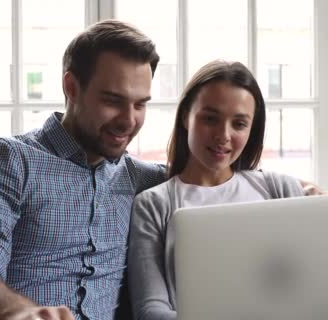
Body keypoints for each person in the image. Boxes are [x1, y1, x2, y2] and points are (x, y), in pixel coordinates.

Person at [0, 20, 166, 320]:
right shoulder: (9, 160)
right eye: (113, 101)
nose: (129, 120)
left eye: (140, 104)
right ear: (71, 87)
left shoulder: (147, 180)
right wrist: (22, 313)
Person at [128, 60, 311, 320]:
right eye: (210, 119)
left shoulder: (279, 188)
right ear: (185, 117)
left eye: (239, 124)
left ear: (251, 130)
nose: (223, 135)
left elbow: (311, 280)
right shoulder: (154, 204)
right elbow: (151, 310)